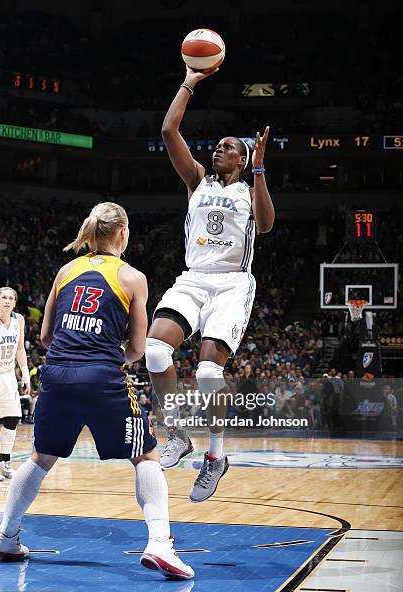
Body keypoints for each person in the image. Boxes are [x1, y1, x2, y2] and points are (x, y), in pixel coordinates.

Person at [0, 202, 194, 580]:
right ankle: (159, 544)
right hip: (101, 376)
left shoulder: (67, 270)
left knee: (40, 457)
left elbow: (45, 336)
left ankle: (6, 536)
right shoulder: (133, 277)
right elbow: (137, 348)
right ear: (122, 233)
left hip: (56, 374)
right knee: (147, 455)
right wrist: (102, 353)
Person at [145, 66, 274, 502]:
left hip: (232, 284)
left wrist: (259, 171)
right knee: (156, 349)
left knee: (206, 371)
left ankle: (216, 459)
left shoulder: (249, 188)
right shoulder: (197, 181)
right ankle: (177, 432)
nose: (219, 149)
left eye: (228, 147)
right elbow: (168, 129)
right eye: (217, 146)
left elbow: (269, 225)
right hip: (194, 278)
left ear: (243, 158)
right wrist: (189, 80)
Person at [0, 287, 31, 481]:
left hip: (8, 374)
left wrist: (25, 375)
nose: (7, 301)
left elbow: (20, 350)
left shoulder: (19, 320)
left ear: (15, 303)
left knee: (12, 419)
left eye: (11, 298)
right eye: (4, 298)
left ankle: (3, 464)